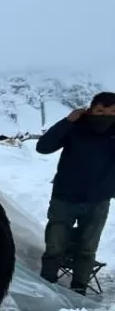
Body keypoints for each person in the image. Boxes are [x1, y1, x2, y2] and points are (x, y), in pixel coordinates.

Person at [36, 92, 115, 294]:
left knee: (87, 249)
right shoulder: (76, 128)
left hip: (98, 201)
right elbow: (43, 147)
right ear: (90, 110)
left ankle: (79, 290)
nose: (105, 116)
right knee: (54, 246)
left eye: (112, 112)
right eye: (100, 111)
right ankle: (47, 287)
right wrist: (68, 121)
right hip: (65, 197)